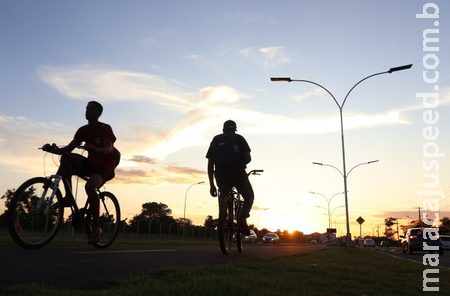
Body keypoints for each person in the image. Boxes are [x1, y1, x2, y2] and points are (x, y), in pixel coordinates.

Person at [43, 101, 118, 244]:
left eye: (91, 109)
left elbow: (108, 149)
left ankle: (96, 227)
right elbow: (68, 149)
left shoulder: (105, 128)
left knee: (90, 187)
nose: (87, 111)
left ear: (98, 113)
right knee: (67, 158)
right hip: (90, 164)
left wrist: (94, 148)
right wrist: (52, 149)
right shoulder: (82, 130)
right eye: (86, 108)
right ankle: (68, 197)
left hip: (105, 167)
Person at [206, 120, 254, 235]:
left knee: (224, 194)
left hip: (221, 176)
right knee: (249, 196)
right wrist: (240, 163)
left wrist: (212, 184)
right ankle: (242, 218)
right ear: (235, 129)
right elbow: (248, 158)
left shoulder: (216, 140)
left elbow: (210, 164)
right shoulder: (239, 138)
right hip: (238, 173)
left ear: (223, 130)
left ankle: (223, 215)